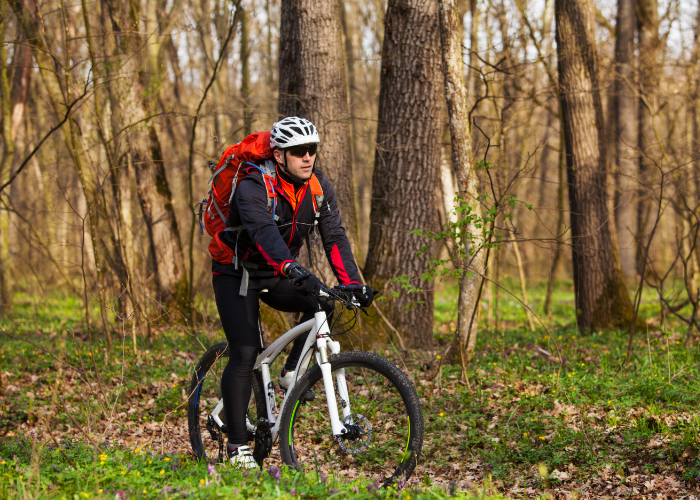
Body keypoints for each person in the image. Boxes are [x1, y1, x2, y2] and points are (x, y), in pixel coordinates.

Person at [212, 117, 373, 469]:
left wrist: (353, 283)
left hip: (277, 269)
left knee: (326, 300)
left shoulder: (318, 188)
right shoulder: (254, 184)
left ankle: (291, 374)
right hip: (236, 272)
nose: (307, 157)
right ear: (279, 155)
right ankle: (237, 446)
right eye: (298, 151)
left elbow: (334, 236)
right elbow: (263, 232)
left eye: (312, 150)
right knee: (245, 351)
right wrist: (291, 267)